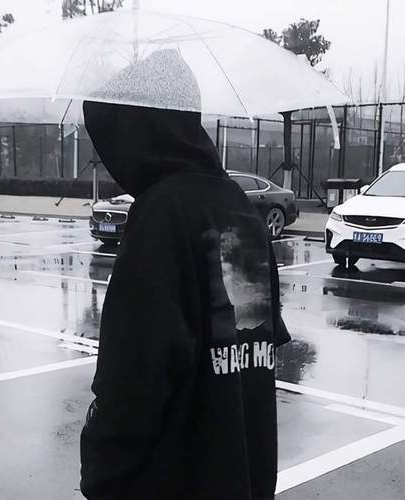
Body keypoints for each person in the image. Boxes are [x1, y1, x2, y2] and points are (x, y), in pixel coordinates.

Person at [80, 50, 291, 500]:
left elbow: (135, 378)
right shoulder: (238, 209)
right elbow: (250, 344)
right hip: (243, 474)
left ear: (141, 132)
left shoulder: (160, 214)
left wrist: (100, 469)